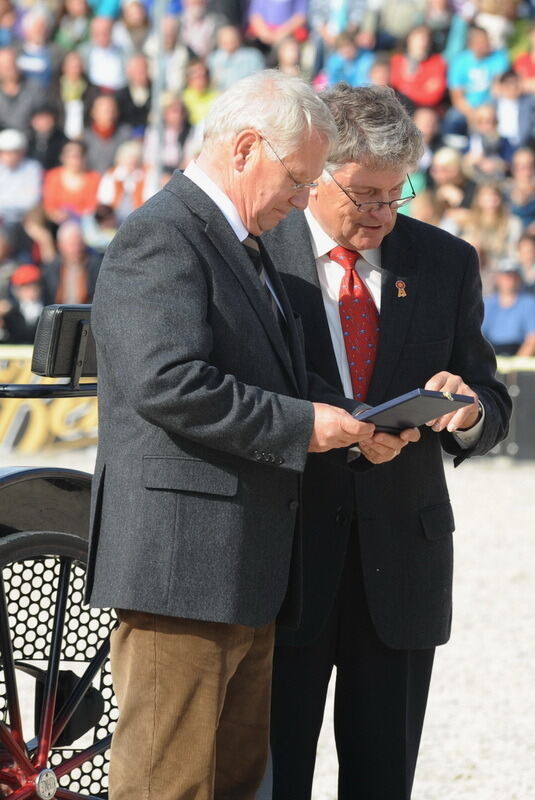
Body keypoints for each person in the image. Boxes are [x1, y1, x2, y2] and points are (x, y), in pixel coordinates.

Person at [86, 71, 375, 800]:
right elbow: (168, 383)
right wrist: (306, 426)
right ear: (247, 148)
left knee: (234, 782)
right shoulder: (162, 234)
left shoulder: (238, 242)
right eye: (299, 179)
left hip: (243, 570)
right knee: (167, 783)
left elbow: (269, 375)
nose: (304, 199)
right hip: (180, 573)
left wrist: (355, 420)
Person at [262, 83, 511, 800]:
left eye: (394, 197)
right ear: (318, 174)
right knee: (273, 774)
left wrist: (464, 415)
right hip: (287, 562)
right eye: (364, 195)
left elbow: (490, 396)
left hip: (402, 563)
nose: (379, 216)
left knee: (383, 781)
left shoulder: (444, 262)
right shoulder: (260, 253)